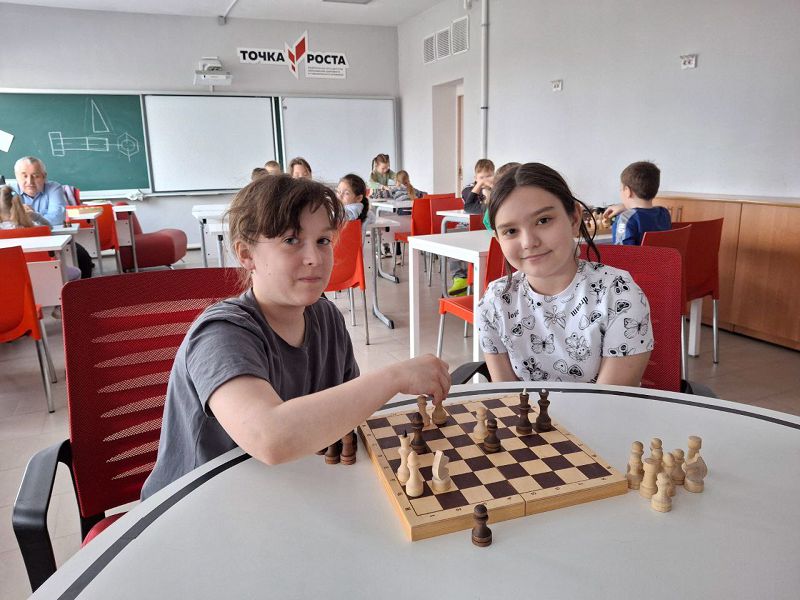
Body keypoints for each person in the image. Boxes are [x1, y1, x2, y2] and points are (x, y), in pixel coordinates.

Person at [140, 175, 450, 499]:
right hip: (195, 507)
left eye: (323, 240)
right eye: (291, 240)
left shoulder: (327, 318)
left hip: (279, 494)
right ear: (246, 254)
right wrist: (396, 376)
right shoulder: (221, 334)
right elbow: (269, 437)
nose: (314, 257)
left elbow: (344, 412)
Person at [476, 162, 653, 386]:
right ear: (498, 240)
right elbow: (508, 397)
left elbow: (609, 402)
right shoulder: (495, 302)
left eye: (543, 220)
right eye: (510, 231)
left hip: (603, 409)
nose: (529, 242)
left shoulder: (618, 295)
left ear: (574, 219)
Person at [11, 156, 93, 278]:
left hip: (53, 239)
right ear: (16, 176)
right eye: (24, 176)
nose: (30, 182)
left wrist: (31, 217)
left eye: (36, 176)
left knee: (83, 259)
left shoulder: (54, 188)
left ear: (44, 176)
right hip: (18, 245)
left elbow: (57, 218)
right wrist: (40, 221)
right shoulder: (7, 192)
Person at [0, 185, 81, 282]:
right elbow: (49, 227)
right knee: (76, 272)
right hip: (46, 274)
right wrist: (35, 216)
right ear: (19, 205)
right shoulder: (35, 228)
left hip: (11, 277)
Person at [449, 158, 496, 295]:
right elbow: (469, 206)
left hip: (487, 228)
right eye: (481, 177)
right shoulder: (469, 189)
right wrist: (480, 185)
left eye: (488, 176)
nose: (485, 180)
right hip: (467, 225)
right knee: (454, 238)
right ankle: (460, 277)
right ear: (476, 178)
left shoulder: (497, 189)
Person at [601, 161, 671, 245]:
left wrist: (627, 214)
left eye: (621, 189)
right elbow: (644, 214)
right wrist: (627, 209)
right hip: (661, 254)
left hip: (634, 254)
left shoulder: (625, 219)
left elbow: (622, 252)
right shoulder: (664, 213)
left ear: (627, 191)